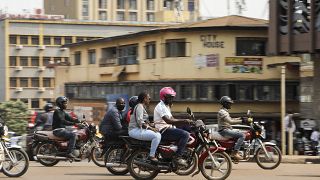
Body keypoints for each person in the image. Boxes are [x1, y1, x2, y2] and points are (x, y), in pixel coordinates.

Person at [153, 87, 192, 167]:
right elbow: (168, 120)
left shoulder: (166, 106)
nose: (171, 100)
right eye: (169, 98)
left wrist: (184, 120)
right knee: (185, 134)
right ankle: (177, 157)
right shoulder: (161, 106)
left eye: (172, 98)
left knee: (184, 131)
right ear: (163, 97)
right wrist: (184, 121)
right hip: (163, 130)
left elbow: (172, 119)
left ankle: (171, 156)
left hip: (167, 128)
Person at [128, 92, 161, 163]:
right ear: (144, 99)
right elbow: (140, 121)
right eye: (148, 98)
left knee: (158, 133)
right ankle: (151, 155)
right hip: (134, 130)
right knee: (156, 136)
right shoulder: (139, 106)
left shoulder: (142, 106)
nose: (149, 100)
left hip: (138, 129)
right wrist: (151, 128)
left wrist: (152, 124)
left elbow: (144, 120)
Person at [217, 96, 246, 160]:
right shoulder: (222, 112)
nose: (231, 105)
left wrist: (240, 118)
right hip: (224, 130)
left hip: (227, 129)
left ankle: (233, 149)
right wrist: (242, 121)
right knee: (242, 135)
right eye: (229, 103)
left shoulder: (225, 111)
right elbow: (230, 121)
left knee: (240, 132)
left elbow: (230, 119)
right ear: (225, 104)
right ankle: (235, 153)